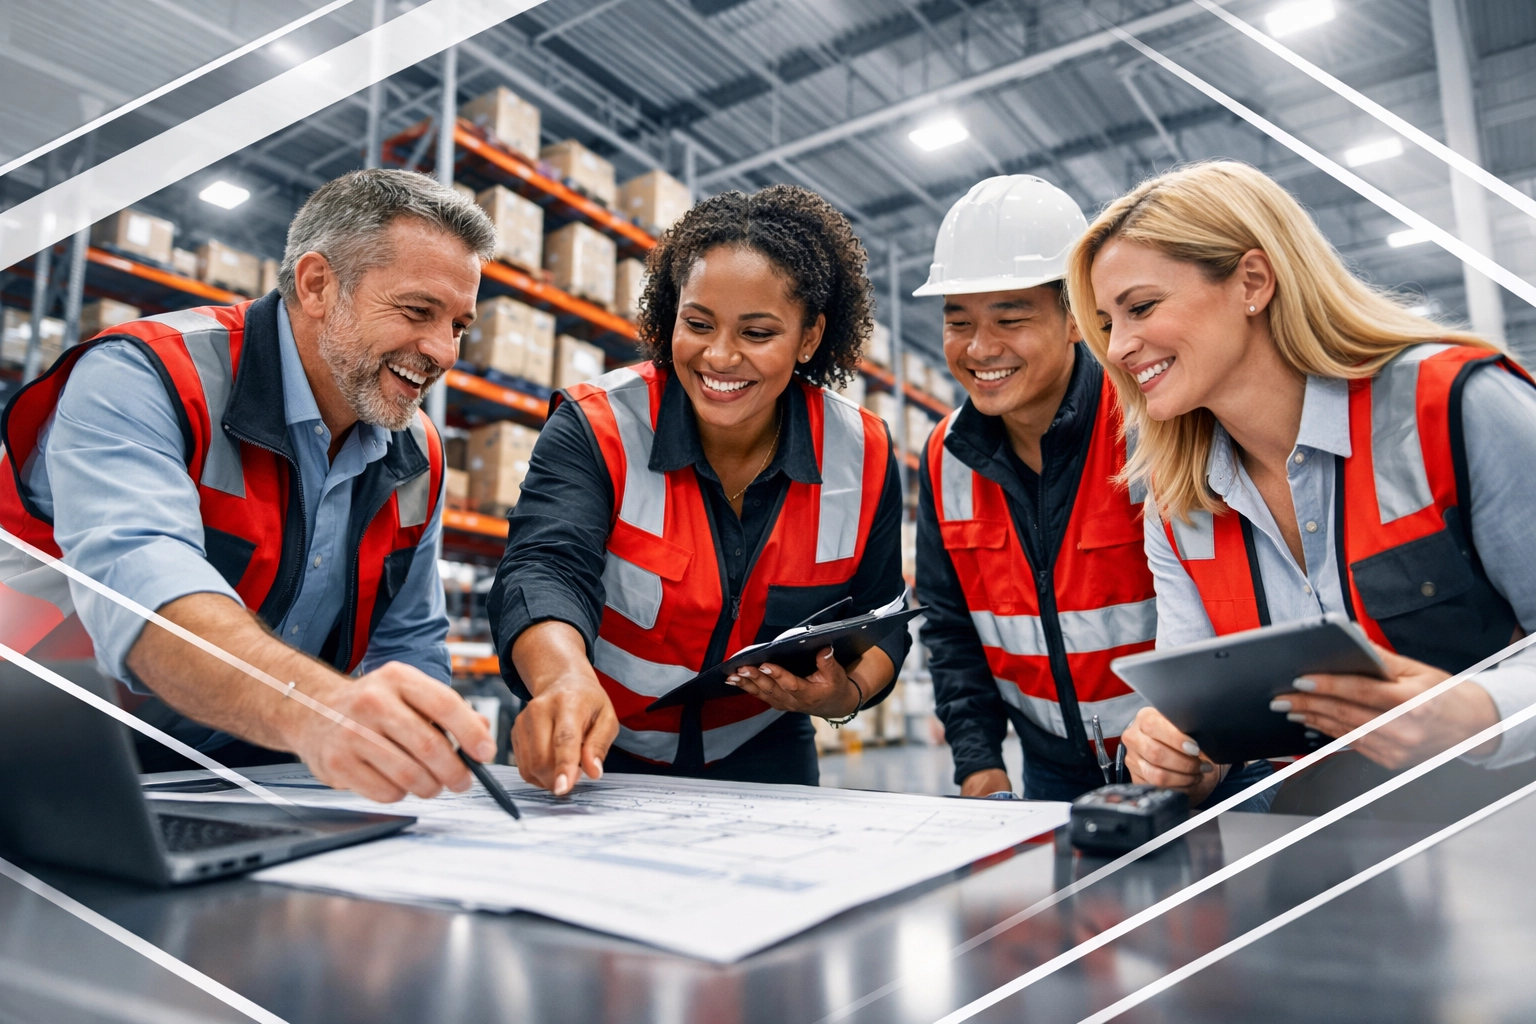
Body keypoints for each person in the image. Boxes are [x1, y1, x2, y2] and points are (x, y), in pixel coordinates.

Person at [0, 169, 499, 804]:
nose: (443, 351)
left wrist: (423, 747)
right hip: (50, 758)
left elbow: (406, 645)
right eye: (417, 311)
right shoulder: (145, 376)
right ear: (317, 284)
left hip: (238, 776)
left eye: (459, 325)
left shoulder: (417, 452)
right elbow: (150, 603)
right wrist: (320, 708)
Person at [1069, 160, 1536, 808]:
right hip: (1321, 857)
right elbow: (1205, 726)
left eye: (1140, 308)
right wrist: (1179, 752)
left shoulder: (1455, 407)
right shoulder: (1178, 510)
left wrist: (1480, 713)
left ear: (1252, 281)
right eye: (1106, 323)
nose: (1117, 348)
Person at [488, 184, 908, 794]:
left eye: (757, 334)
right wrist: (561, 681)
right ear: (670, 314)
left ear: (809, 338)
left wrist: (848, 691)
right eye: (698, 323)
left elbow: (885, 616)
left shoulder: (861, 453)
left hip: (766, 747)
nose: (719, 356)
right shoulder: (598, 425)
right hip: (600, 741)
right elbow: (544, 568)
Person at [914, 175, 1266, 805]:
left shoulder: (1158, 426)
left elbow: (1229, 606)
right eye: (957, 320)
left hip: (1188, 759)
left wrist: (1202, 741)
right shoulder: (946, 458)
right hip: (1048, 770)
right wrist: (978, 764)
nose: (979, 347)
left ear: (1076, 318)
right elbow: (950, 627)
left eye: (1010, 317)